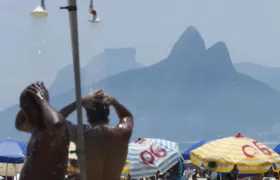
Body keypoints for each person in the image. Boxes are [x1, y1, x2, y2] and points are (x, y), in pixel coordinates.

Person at [16, 89, 134, 180]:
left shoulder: (82, 135)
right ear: (108, 111)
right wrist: (113, 101)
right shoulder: (122, 133)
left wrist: (79, 102)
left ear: (86, 113)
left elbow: (57, 121)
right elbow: (127, 116)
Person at [16, 82, 69, 180]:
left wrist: (41, 100)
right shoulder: (37, 130)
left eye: (27, 108)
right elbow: (18, 124)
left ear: (39, 107)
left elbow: (56, 123)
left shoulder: (51, 133)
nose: (25, 114)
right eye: (23, 109)